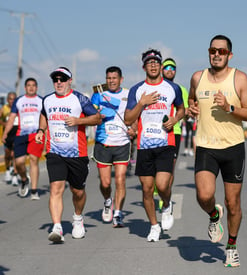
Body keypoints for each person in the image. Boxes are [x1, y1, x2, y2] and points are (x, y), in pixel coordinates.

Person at [188, 34, 247, 267]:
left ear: (230, 55)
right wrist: (191, 108)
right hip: (206, 146)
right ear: (209, 52)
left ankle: (231, 246)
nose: (216, 54)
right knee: (204, 195)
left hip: (233, 147)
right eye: (213, 50)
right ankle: (213, 216)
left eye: (222, 51)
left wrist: (229, 107)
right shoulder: (198, 77)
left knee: (232, 202)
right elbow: (191, 100)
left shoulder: (240, 79)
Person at [35, 67, 101, 243]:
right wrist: (41, 130)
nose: (58, 82)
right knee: (56, 188)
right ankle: (57, 227)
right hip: (54, 152)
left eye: (62, 79)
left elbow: (97, 118)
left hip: (77, 154)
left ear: (69, 81)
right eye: (55, 79)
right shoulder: (48, 100)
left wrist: (78, 121)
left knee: (77, 191)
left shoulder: (79, 99)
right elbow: (44, 115)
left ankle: (78, 218)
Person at [124, 49, 184, 242]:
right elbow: (128, 119)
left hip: (166, 143)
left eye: (156, 62)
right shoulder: (136, 90)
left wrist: (174, 119)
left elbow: (182, 109)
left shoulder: (171, 88)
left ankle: (166, 205)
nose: (153, 65)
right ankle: (154, 225)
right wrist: (141, 104)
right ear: (144, 67)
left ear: (160, 65)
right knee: (147, 189)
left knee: (162, 184)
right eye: (149, 62)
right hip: (144, 146)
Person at [91, 66, 136, 228]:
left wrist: (134, 128)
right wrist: (97, 116)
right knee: (105, 183)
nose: (111, 81)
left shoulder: (128, 94)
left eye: (114, 78)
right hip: (103, 143)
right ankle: (107, 201)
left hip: (122, 143)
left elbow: (134, 115)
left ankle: (118, 213)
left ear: (121, 79)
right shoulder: (98, 95)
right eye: (108, 78)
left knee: (120, 179)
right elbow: (91, 114)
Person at [2, 79, 44, 200]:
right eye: (29, 85)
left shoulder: (41, 101)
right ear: (25, 88)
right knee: (19, 163)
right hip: (21, 134)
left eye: (33, 85)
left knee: (33, 160)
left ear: (36, 87)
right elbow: (11, 118)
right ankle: (24, 179)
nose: (31, 88)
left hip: (35, 135)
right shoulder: (19, 101)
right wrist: (5, 133)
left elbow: (45, 119)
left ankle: (34, 191)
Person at [161, 58, 188, 207]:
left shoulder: (180, 89)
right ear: (161, 69)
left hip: (174, 132)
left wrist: (185, 114)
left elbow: (184, 110)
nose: (170, 69)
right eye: (167, 67)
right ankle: (158, 190)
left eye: (173, 67)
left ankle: (166, 197)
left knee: (169, 167)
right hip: (154, 133)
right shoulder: (155, 88)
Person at [0, 92, 18, 185]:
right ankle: (8, 170)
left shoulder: (19, 108)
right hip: (7, 135)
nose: (12, 101)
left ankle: (15, 175)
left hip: (16, 134)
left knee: (14, 155)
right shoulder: (4, 109)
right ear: (7, 100)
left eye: (14, 99)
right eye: (10, 99)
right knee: (7, 155)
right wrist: (5, 124)